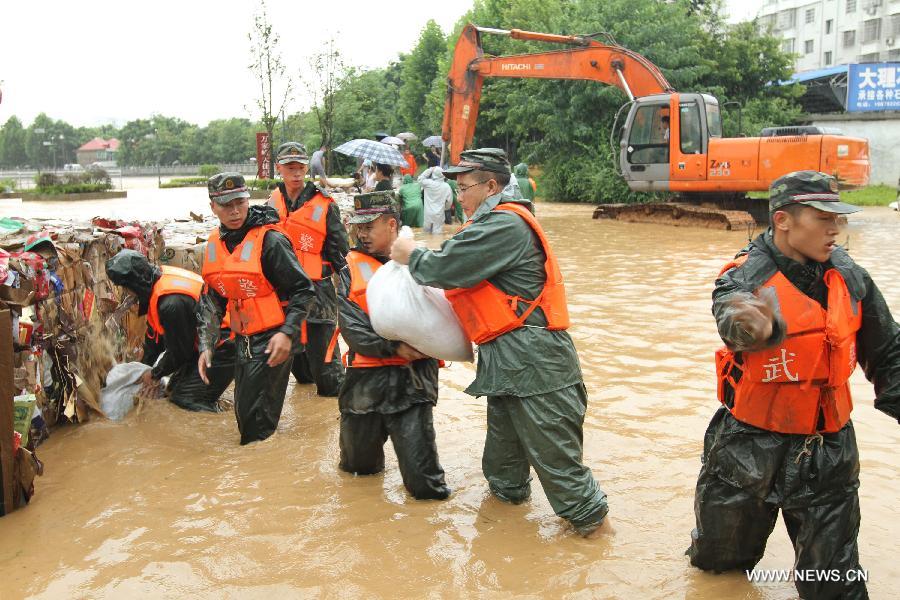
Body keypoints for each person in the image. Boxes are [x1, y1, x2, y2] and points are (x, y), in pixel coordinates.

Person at [687, 171, 900, 599]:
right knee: (717, 570)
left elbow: (889, 353)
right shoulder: (744, 277)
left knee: (834, 586)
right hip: (746, 449)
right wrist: (751, 327)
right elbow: (731, 316)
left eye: (837, 218)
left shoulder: (851, 278)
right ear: (783, 220)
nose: (835, 229)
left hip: (827, 453)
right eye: (822, 218)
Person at [390, 148, 611, 537]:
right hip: (508, 366)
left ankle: (598, 544)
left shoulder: (504, 225)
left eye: (464, 187)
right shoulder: (492, 223)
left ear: (491, 185)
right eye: (456, 187)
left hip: (538, 367)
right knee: (503, 469)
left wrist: (411, 255)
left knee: (563, 474)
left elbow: (445, 267)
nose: (458, 196)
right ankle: (505, 545)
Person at [336, 191, 451, 500]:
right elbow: (352, 329)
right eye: (358, 227)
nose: (361, 234)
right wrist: (394, 347)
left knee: (424, 485)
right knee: (358, 471)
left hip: (413, 382)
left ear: (390, 224)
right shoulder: (349, 270)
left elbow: (447, 311)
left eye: (368, 227)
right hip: (364, 382)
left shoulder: (423, 262)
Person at [198, 172, 316, 445]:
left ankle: (266, 481)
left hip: (273, 339)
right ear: (212, 207)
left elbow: (303, 289)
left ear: (247, 199)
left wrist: (287, 333)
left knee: (255, 426)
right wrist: (206, 343)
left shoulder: (270, 242)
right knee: (246, 414)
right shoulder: (215, 243)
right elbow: (212, 299)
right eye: (226, 205)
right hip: (244, 339)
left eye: (240, 201)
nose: (235, 210)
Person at [105, 250, 235, 413]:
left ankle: (218, 423)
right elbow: (155, 342)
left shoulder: (171, 304)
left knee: (185, 399)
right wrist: (145, 371)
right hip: (204, 343)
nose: (126, 293)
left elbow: (180, 352)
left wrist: (154, 375)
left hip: (225, 346)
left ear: (135, 283)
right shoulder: (157, 285)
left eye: (125, 287)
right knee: (171, 391)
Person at [268, 142, 348, 397]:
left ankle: (338, 408)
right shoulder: (272, 202)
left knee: (326, 376)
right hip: (284, 294)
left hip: (318, 293)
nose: (296, 172)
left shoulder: (325, 204)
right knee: (301, 374)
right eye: (290, 167)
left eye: (300, 167)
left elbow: (341, 255)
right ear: (279, 168)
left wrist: (350, 292)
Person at [418, 166, 453, 235]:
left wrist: (430, 170)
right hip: (439, 214)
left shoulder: (428, 184)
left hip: (428, 214)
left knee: (426, 234)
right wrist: (445, 208)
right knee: (437, 235)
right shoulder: (446, 186)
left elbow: (420, 179)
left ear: (433, 174)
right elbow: (449, 202)